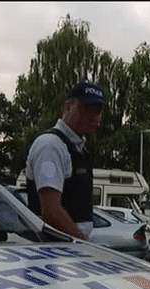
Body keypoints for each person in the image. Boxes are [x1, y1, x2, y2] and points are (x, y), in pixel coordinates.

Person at [25, 81, 105, 241]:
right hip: (56, 248)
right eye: (86, 108)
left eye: (98, 110)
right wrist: (81, 242)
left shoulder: (78, 147)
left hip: (67, 246)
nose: (93, 115)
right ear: (67, 107)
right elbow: (51, 210)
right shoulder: (51, 145)